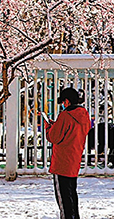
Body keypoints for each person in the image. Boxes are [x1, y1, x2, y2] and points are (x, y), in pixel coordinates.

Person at [45, 87, 91, 219]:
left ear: (67, 101)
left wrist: (49, 126)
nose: (63, 105)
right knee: (72, 194)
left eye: (63, 102)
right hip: (74, 159)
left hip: (61, 161)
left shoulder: (65, 115)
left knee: (63, 197)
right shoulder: (84, 115)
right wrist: (57, 125)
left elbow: (54, 137)